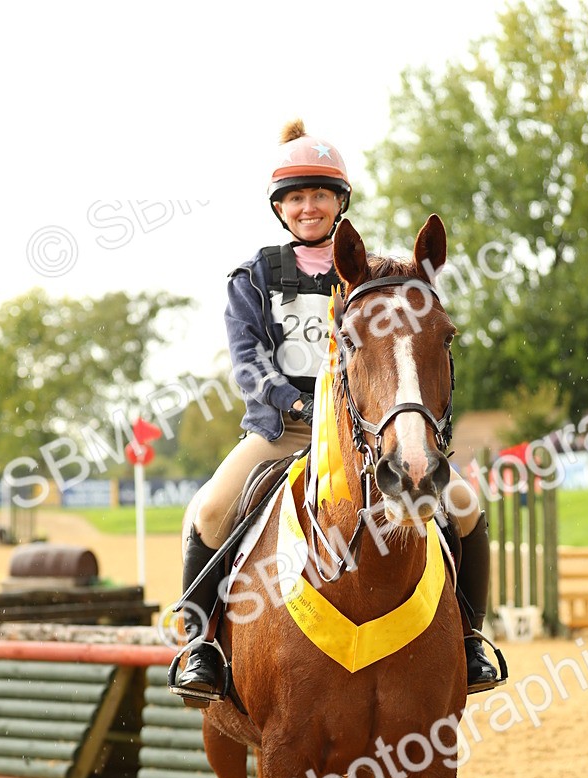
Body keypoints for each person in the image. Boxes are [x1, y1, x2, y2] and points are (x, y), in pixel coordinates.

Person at [169, 120, 499, 705]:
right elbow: (247, 362)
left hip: (367, 432)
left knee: (466, 509)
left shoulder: (372, 272)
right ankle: (201, 646)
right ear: (280, 208)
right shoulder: (255, 275)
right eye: (296, 197)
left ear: (340, 202)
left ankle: (470, 636)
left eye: (320, 194)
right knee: (210, 508)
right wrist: (294, 400)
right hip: (284, 429)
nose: (308, 206)